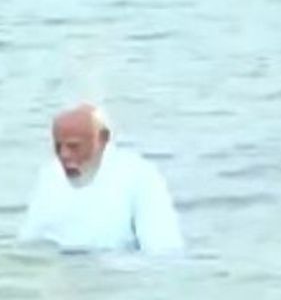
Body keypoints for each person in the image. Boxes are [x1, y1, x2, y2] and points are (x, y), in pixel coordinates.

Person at [18, 104, 184, 254]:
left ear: (102, 139)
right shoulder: (50, 176)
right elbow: (29, 245)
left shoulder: (141, 177)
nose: (64, 155)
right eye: (58, 147)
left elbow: (164, 252)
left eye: (73, 146)